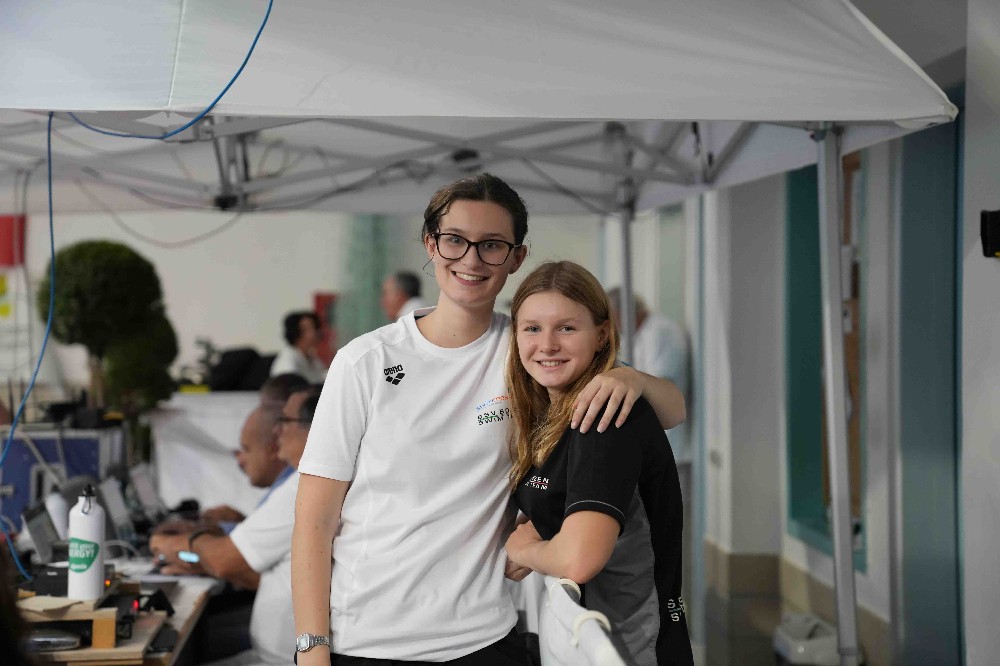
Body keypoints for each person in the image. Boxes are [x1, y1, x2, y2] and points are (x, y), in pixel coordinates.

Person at [292, 173, 685, 665]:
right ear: (431, 244)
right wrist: (312, 646)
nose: (472, 260)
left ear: (517, 257)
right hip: (367, 639)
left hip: (485, 636)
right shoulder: (365, 362)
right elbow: (314, 520)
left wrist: (631, 378)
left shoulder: (528, 350)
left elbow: (672, 409)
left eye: (492, 245)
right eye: (455, 240)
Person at [504, 261, 693, 666]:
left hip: (629, 643)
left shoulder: (603, 416)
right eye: (532, 328)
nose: (547, 345)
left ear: (602, 334)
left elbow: (579, 559)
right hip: (594, 632)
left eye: (566, 328)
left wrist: (524, 549)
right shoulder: (551, 410)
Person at [150, 397, 313, 666]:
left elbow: (225, 561)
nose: (277, 430)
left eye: (285, 421)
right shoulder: (308, 482)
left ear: (313, 427)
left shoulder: (307, 485)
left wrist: (181, 544)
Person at [607, 287, 690, 461]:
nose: (612, 326)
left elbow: (660, 385)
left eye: (612, 317)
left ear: (623, 312)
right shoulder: (639, 335)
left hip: (667, 437)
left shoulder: (660, 332)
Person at [271, 311, 327, 383]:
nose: (316, 332)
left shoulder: (312, 358)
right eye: (310, 329)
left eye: (316, 328)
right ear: (296, 333)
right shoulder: (287, 361)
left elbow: (321, 377)